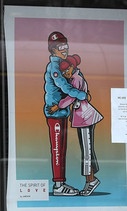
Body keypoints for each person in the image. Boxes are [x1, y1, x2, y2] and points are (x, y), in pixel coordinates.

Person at [49, 54, 103, 196]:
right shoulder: (75, 77)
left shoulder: (76, 79)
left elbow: (72, 97)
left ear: (73, 67)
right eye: (64, 72)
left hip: (85, 118)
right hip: (82, 118)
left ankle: (91, 181)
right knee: (87, 150)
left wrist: (58, 106)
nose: (65, 73)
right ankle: (91, 179)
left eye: (67, 70)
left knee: (87, 152)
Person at [43, 31, 89, 196]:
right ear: (52, 49)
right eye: (59, 47)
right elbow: (64, 87)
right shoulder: (54, 67)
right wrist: (82, 95)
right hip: (55, 114)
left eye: (65, 45)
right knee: (57, 149)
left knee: (61, 149)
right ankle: (58, 186)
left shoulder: (62, 64)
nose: (64, 49)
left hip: (61, 113)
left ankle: (61, 183)